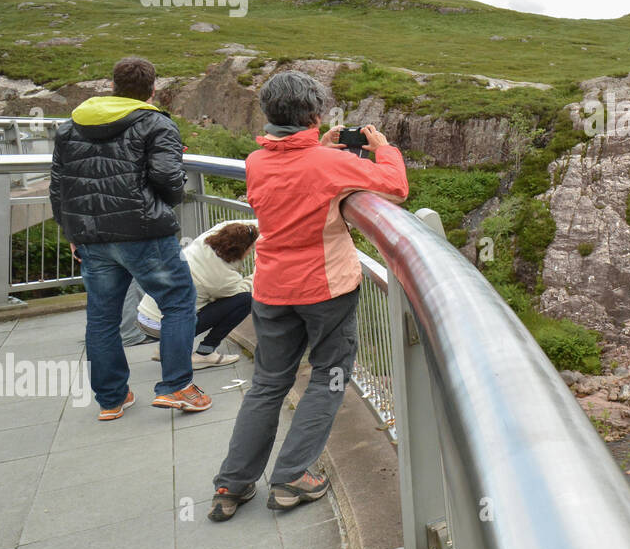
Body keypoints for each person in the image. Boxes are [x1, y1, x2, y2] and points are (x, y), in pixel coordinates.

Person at [209, 72, 407, 521]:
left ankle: (232, 483)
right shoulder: (326, 164)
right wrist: (382, 148)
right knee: (329, 375)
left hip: (272, 287)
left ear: (269, 115)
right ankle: (292, 475)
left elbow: (298, 166)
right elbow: (395, 186)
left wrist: (323, 144)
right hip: (325, 289)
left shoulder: (256, 161)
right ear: (314, 114)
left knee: (267, 383)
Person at [50, 56, 211, 420]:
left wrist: (70, 231)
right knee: (178, 301)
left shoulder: (70, 127)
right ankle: (177, 387)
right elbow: (170, 178)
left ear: (112, 86)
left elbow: (58, 186)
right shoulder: (155, 123)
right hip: (143, 232)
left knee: (102, 317)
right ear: (152, 89)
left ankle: (111, 399)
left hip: (92, 236)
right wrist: (165, 206)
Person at [138, 220, 258, 369]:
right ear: (241, 250)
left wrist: (262, 226)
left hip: (145, 315)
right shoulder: (221, 278)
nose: (252, 249)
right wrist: (260, 266)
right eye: (251, 247)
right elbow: (248, 288)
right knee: (245, 300)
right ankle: (204, 353)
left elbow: (230, 223)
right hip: (162, 326)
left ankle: (168, 349)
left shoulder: (206, 239)